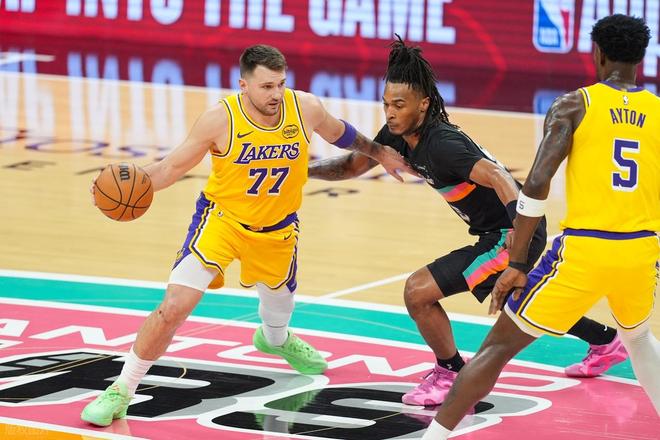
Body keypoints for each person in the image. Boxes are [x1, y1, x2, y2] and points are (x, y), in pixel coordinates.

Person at [81, 44, 412, 427]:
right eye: (267, 86)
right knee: (173, 307)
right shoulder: (219, 119)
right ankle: (122, 390)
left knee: (278, 313)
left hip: (278, 230)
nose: (276, 94)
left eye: (280, 84)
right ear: (244, 85)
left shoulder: (304, 107)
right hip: (222, 222)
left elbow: (345, 136)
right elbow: (170, 168)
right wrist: (121, 186)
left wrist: (380, 153)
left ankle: (275, 339)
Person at [308, 36, 628, 407]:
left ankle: (449, 373)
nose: (390, 113)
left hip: (510, 231)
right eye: (386, 104)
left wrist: (518, 235)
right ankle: (605, 341)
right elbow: (352, 166)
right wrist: (302, 169)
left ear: (424, 104)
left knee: (418, 292)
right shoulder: (397, 135)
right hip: (499, 229)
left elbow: (499, 176)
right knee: (520, 301)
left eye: (399, 104)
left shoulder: (442, 144)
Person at [421, 14, 660, 439]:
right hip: (641, 251)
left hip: (585, 251)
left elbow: (535, 184)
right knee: (639, 340)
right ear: (641, 58)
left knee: (496, 348)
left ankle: (433, 436)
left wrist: (517, 262)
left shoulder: (575, 104)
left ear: (598, 53)